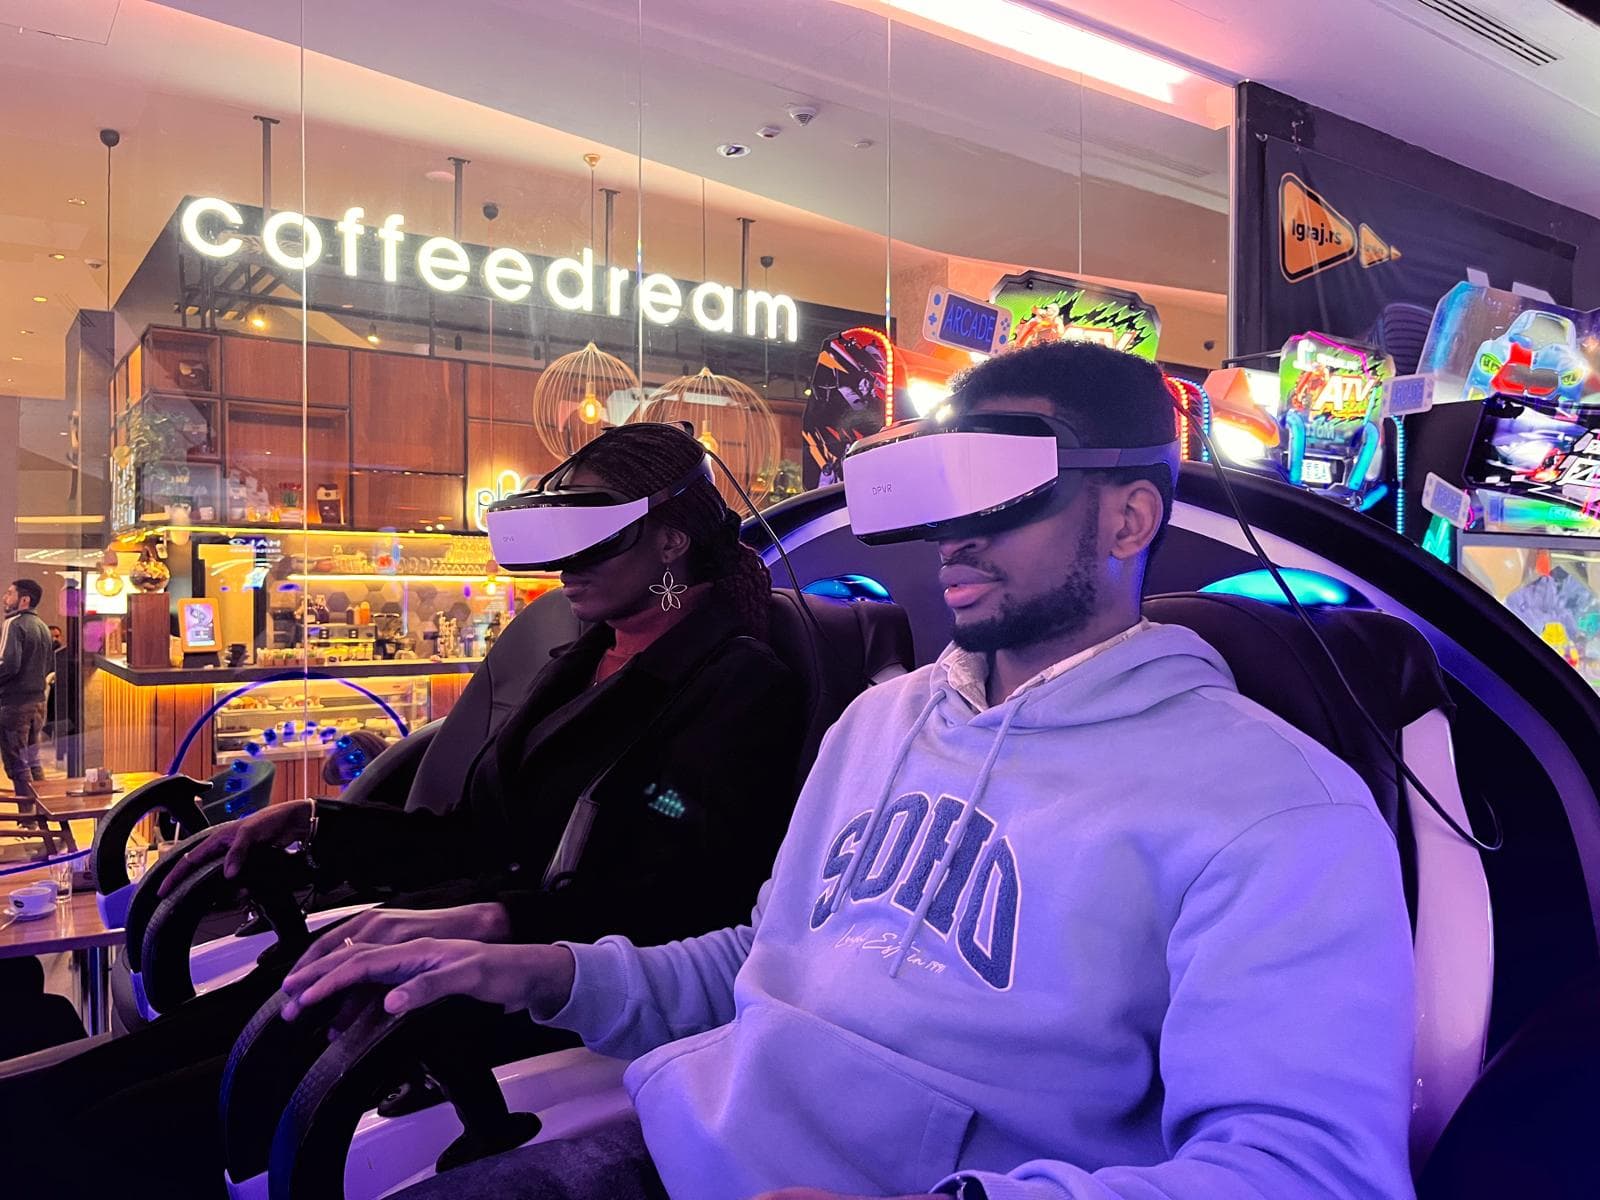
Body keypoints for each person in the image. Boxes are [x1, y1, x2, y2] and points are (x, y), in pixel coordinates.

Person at [285, 342, 1417, 1200]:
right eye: (939, 495)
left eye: (1002, 490)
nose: (953, 537)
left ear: (1128, 516)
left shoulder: (1279, 809)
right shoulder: (881, 721)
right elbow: (765, 958)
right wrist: (553, 973)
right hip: (688, 1146)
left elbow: (1310, 1171)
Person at [17, 423, 809, 1200]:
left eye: (592, 537)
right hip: (406, 946)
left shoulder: (738, 686)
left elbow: (677, 911)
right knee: (78, 1094)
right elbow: (468, 836)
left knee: (107, 1137)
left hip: (506, 999)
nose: (566, 564)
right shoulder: (582, 656)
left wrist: (485, 925)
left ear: (670, 542)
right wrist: (319, 825)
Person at [0, 578, 52, 800]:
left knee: (16, 762)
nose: (5, 598)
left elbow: (8, 664)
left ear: (24, 599)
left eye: (9, 593)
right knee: (32, 759)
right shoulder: (43, 627)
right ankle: (44, 811)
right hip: (37, 702)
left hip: (15, 704)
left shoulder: (14, 624)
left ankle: (27, 818)